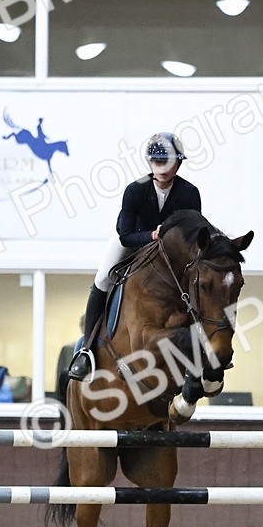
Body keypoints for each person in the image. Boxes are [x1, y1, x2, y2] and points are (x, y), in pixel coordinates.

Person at [66, 131, 201, 381]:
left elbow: (192, 235)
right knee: (102, 279)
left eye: (168, 162)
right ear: (150, 163)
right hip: (133, 240)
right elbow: (126, 235)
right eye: (157, 162)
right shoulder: (135, 190)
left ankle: (202, 343)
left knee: (198, 280)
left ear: (178, 164)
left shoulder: (190, 193)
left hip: (170, 251)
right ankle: (86, 350)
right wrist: (152, 236)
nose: (162, 168)